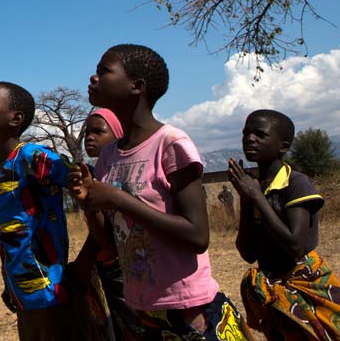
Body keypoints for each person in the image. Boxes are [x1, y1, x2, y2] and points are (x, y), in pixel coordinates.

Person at [70, 44, 249, 341]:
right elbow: (113, 246)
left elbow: (197, 236)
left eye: (104, 71)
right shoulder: (109, 156)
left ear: (136, 86)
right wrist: (89, 204)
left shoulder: (171, 144)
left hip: (187, 309)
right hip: (140, 309)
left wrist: (117, 199)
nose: (94, 78)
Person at [229, 109, 340, 341]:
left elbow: (296, 245)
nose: (250, 139)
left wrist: (257, 198)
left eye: (260, 134)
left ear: (283, 146)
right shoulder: (255, 186)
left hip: (306, 283)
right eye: (246, 133)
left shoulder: (297, 183)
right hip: (274, 289)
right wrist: (246, 198)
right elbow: (247, 253)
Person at [0, 80, 86, 341]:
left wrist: (88, 259)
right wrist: (7, 280)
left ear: (16, 119)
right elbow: (5, 232)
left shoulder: (34, 158)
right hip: (19, 287)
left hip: (48, 286)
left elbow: (85, 184)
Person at [71, 108, 143, 341]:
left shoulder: (122, 177)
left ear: (118, 135)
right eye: (86, 133)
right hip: (107, 265)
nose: (89, 137)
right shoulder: (91, 174)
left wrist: (83, 262)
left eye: (98, 132)